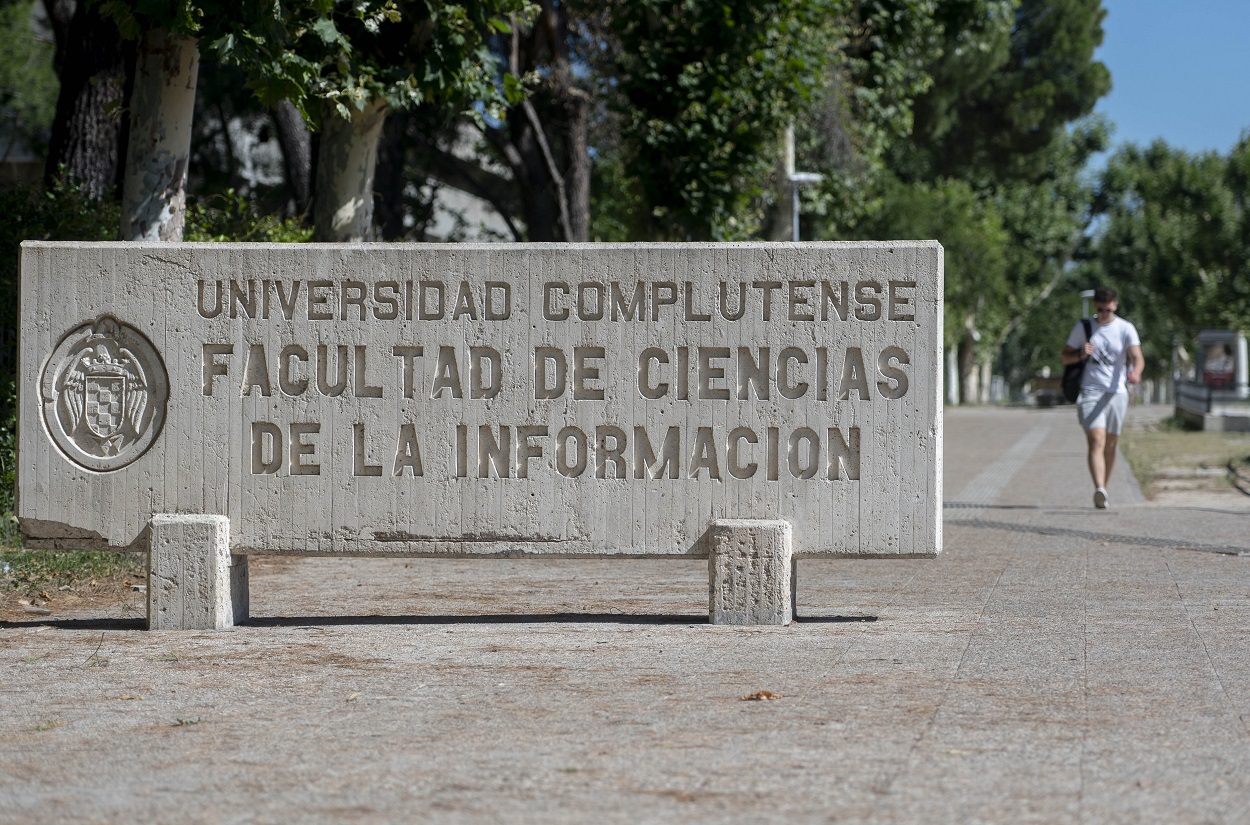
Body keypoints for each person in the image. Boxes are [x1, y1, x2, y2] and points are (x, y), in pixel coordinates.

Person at [1061, 286, 1144, 509]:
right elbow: (1064, 357)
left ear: (1115, 305)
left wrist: (1135, 372)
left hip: (1116, 393)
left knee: (1111, 443)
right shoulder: (1084, 327)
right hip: (1090, 391)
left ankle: (1103, 489)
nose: (1103, 313)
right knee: (1096, 440)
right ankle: (1099, 487)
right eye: (1099, 309)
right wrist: (1080, 354)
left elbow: (1137, 357)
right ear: (1095, 306)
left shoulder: (1126, 328)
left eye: (1107, 309)